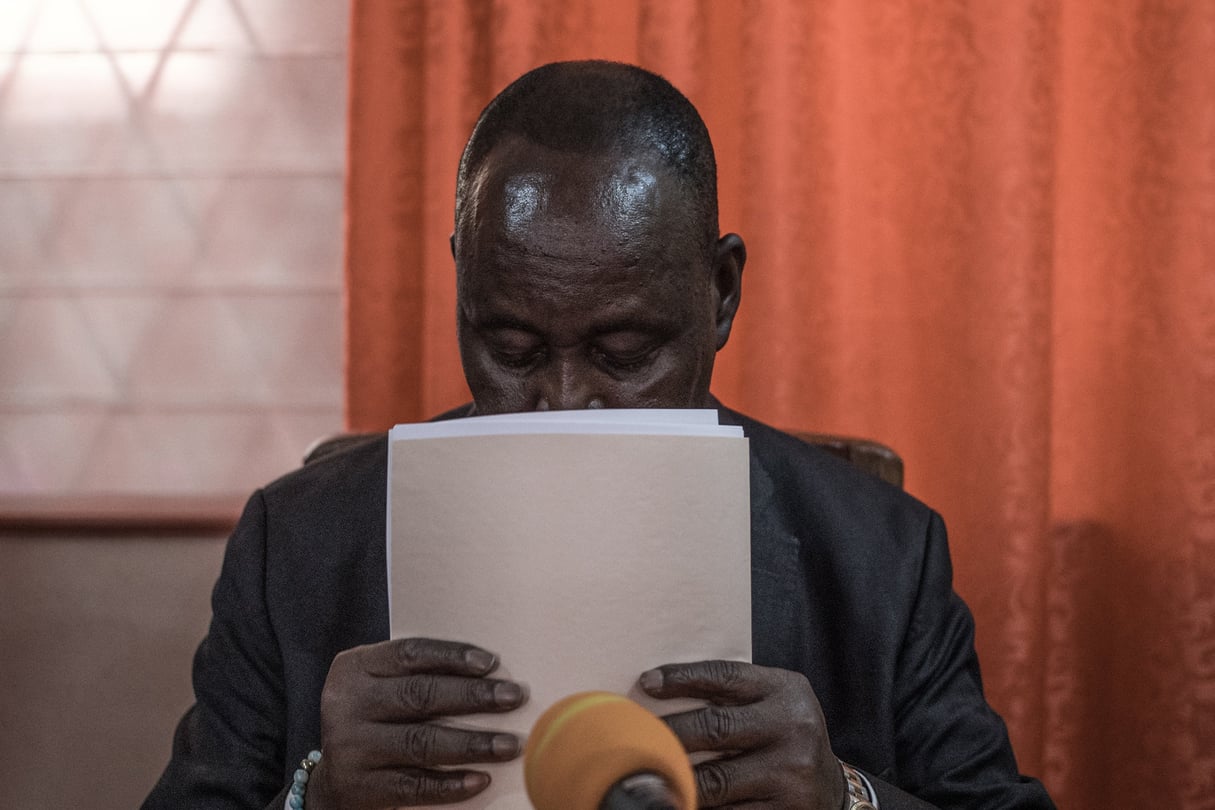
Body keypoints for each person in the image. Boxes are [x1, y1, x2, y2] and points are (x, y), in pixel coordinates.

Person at [144, 61, 1055, 810]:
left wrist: (847, 798)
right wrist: (317, 798)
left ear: (722, 293)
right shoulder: (297, 544)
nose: (566, 399)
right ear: (462, 281)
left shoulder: (880, 552)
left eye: (624, 352)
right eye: (511, 348)